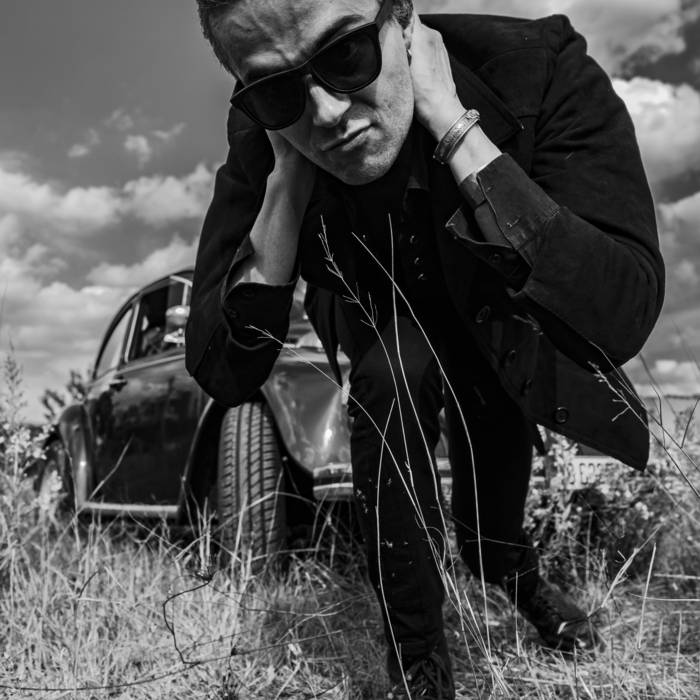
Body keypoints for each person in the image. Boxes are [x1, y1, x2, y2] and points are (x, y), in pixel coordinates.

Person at [187, 1, 665, 696]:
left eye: (345, 55)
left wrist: (455, 127)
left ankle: (520, 581)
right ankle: (418, 668)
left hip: (501, 329)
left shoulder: (535, 68)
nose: (326, 113)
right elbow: (226, 369)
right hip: (388, 334)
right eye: (275, 88)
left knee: (489, 526)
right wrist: (286, 178)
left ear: (403, 18)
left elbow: (621, 311)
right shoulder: (269, 130)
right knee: (391, 376)